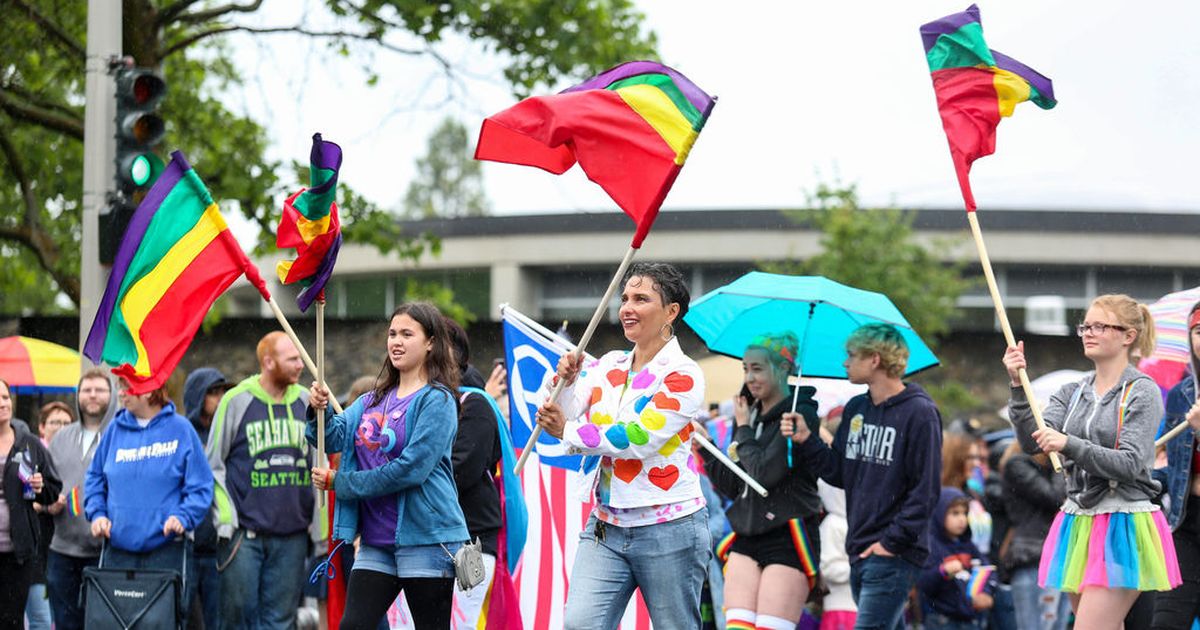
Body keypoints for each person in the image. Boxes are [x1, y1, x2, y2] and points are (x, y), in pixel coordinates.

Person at [534, 262, 711, 630]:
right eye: (625, 298)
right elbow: (554, 410)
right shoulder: (608, 364)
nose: (627, 307)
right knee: (580, 624)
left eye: (641, 299)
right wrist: (563, 378)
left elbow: (636, 438)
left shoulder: (684, 374)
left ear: (671, 312)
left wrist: (567, 430)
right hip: (605, 526)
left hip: (671, 527)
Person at [1003, 294, 1181, 629]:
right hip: (1079, 521)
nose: (1088, 332)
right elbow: (1031, 442)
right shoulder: (1072, 391)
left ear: (1128, 336)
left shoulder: (1141, 391)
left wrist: (1070, 444)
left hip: (1123, 523)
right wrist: (1016, 386)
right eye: (1086, 325)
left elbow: (1130, 463)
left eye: (1100, 326)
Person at [307, 302, 470, 630]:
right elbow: (333, 437)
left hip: (427, 538)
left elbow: (411, 469)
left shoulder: (437, 400)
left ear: (430, 343)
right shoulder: (371, 399)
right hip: (375, 542)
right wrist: (317, 411)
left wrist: (342, 482)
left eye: (407, 334)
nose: (396, 341)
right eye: (392, 333)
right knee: (353, 625)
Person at [782, 322, 943, 630]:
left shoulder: (920, 413)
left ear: (875, 359)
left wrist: (890, 543)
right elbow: (839, 472)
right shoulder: (857, 408)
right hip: (859, 548)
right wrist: (807, 439)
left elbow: (926, 490)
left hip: (893, 552)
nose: (845, 362)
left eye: (851, 354)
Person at [694, 331, 822, 630]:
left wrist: (742, 428)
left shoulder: (799, 415)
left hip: (788, 536)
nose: (750, 377)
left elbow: (764, 474)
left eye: (758, 368)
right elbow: (736, 485)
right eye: (746, 368)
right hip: (747, 534)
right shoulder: (750, 415)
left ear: (783, 369)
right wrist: (708, 448)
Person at [206, 332, 315, 630]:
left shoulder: (308, 401)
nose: (300, 364)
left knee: (280, 621)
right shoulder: (236, 400)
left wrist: (317, 526)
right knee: (237, 617)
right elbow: (212, 464)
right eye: (292, 358)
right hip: (245, 535)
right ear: (268, 362)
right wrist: (227, 518)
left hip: (292, 535)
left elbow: (320, 462)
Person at [84, 378, 211, 616]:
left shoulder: (181, 429)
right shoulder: (114, 429)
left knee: (161, 621)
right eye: (120, 387)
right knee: (115, 620)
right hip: (117, 551)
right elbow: (94, 478)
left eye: (128, 386)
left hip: (166, 550)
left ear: (151, 389)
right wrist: (98, 514)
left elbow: (201, 485)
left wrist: (184, 516)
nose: (121, 393)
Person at [443, 317, 507, 629]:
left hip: (470, 540)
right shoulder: (403, 403)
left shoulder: (475, 405)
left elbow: (460, 471)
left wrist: (402, 481)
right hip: (420, 540)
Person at [45, 369, 117, 630]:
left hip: (107, 551)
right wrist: (47, 503)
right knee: (65, 622)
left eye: (100, 389)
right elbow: (47, 486)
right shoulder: (61, 437)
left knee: (102, 623)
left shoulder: (121, 435)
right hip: (62, 550)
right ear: (78, 395)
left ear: (112, 394)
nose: (93, 395)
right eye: (87, 390)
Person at [1152, 300, 1200, 629]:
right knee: (1167, 621)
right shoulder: (1181, 394)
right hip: (1186, 520)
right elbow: (1170, 464)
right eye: (1198, 330)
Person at [1, 378, 62, 630]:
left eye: (4, 397)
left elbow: (52, 490)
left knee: (11, 621)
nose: (2, 404)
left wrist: (39, 489)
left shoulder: (29, 443)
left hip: (18, 553)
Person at [998, 442, 1069, 630]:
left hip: (1059, 556)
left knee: (1057, 625)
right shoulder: (1017, 464)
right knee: (1038, 626)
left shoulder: (1046, 469)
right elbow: (1055, 497)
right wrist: (1060, 460)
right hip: (1032, 556)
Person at [183, 367, 230, 630]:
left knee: (218, 620)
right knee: (183, 616)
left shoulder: (230, 432)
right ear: (197, 395)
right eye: (213, 392)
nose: (220, 397)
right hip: (187, 543)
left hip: (218, 545)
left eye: (223, 391)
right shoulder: (182, 434)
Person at [917, 488, 996, 629]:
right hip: (941, 619)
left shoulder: (969, 546)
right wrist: (942, 572)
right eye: (955, 513)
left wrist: (986, 593)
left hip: (970, 619)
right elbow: (923, 584)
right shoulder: (931, 546)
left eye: (965, 513)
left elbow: (987, 570)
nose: (962, 519)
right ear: (939, 514)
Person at [25, 402, 72, 630]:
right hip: (35, 546)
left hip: (68, 543)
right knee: (41, 617)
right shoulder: (30, 453)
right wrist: (45, 506)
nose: (61, 427)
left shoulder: (76, 455)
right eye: (55, 422)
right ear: (42, 427)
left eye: (66, 422)